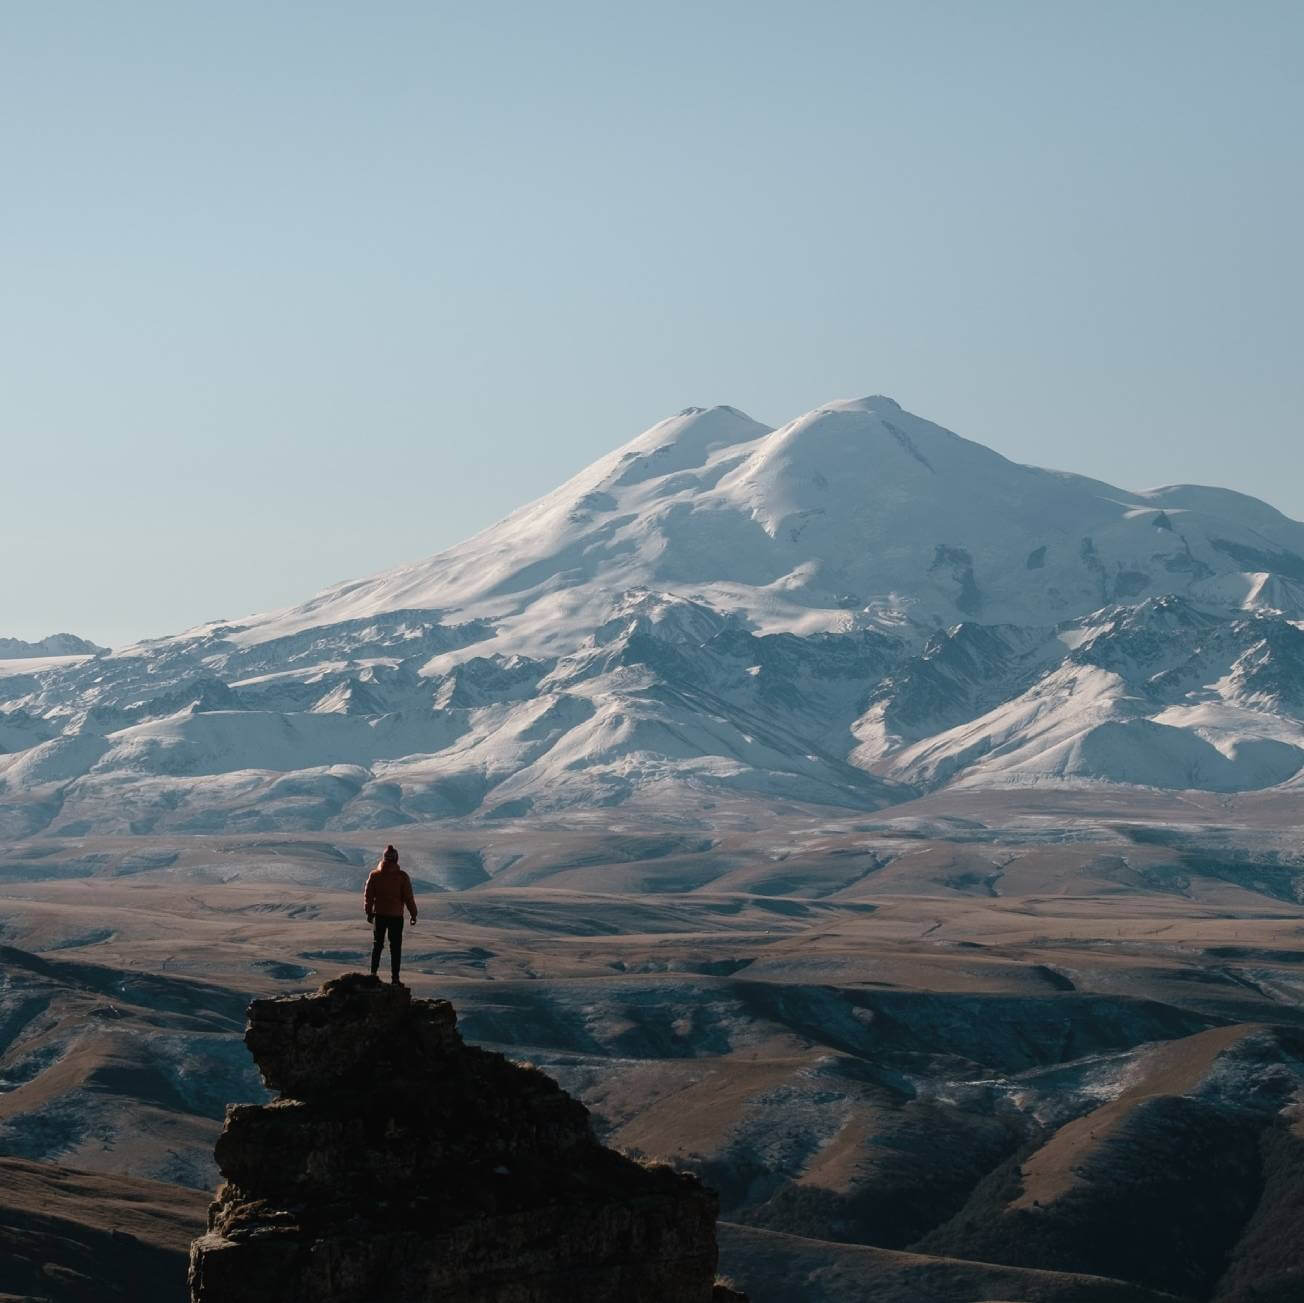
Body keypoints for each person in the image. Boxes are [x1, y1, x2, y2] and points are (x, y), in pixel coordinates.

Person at [364, 844, 417, 983]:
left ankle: (373, 974)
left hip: (379, 915)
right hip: (396, 917)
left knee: (377, 944)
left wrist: (369, 912)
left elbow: (368, 896)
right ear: (396, 859)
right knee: (395, 947)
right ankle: (395, 978)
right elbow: (408, 897)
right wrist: (413, 914)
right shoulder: (402, 876)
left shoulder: (374, 875)